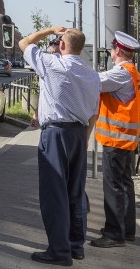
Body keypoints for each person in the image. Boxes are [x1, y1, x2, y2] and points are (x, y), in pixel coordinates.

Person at [20, 26, 101, 266]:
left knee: (54, 195)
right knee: (75, 192)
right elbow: (95, 112)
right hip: (78, 133)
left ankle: (59, 251)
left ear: (63, 45)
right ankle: (76, 246)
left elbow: (24, 43)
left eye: (59, 40)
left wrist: (49, 30)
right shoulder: (92, 73)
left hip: (55, 135)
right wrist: (84, 137)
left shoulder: (53, 65)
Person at [91, 31, 140, 248]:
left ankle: (114, 234)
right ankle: (127, 230)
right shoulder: (132, 72)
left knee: (113, 187)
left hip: (116, 140)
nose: (110, 53)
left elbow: (94, 82)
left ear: (118, 50)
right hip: (125, 140)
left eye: (112, 49)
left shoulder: (120, 73)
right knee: (124, 185)